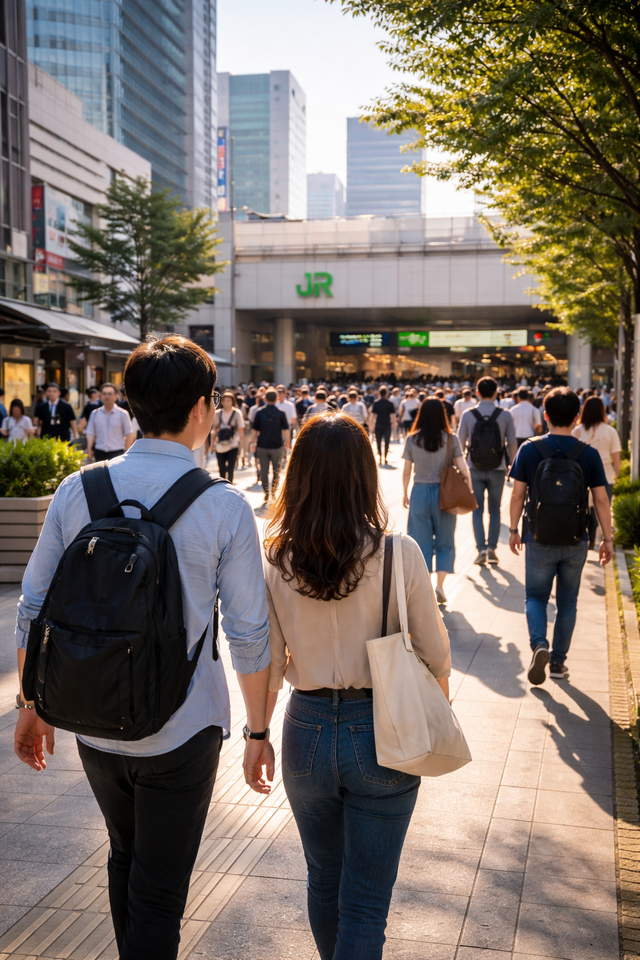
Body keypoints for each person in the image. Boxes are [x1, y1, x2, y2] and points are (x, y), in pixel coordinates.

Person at [13, 336, 275, 960]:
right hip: (183, 727)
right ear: (203, 409)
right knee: (159, 890)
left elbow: (32, 607)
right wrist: (259, 732)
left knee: (124, 855)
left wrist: (32, 704)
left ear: (130, 407)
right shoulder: (223, 506)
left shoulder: (80, 490)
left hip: (93, 716)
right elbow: (248, 632)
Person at [263, 412, 451, 960]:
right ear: (366, 475)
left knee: (323, 880)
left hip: (306, 729)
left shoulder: (276, 556)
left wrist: (256, 736)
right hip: (384, 728)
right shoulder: (399, 552)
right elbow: (436, 655)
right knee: (366, 901)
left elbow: (270, 663)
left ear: (297, 475)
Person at [509, 387, 614, 684]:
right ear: (577, 416)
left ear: (545, 415)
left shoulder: (529, 449)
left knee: (535, 597)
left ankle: (539, 644)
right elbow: (602, 500)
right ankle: (557, 663)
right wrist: (606, 539)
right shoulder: (589, 454)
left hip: (538, 537)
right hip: (576, 539)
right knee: (568, 602)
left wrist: (515, 530)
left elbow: (517, 495)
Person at [402, 398, 472, 604]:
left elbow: (407, 470)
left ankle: (425, 588)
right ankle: (440, 586)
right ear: (442, 415)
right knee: (444, 541)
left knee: (420, 541)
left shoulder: (412, 439)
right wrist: (468, 488)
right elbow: (463, 468)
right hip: (445, 495)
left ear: (421, 414)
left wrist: (405, 493)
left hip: (420, 492)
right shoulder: (451, 439)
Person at [457, 376, 517, 566]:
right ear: (496, 392)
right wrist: (513, 467)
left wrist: (460, 468)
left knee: (477, 510)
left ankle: (480, 549)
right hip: (498, 468)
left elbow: (459, 443)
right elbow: (512, 443)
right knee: (495, 510)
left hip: (473, 467)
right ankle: (492, 548)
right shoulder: (505, 415)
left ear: (477, 392)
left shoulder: (468, 414)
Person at [572, 396, 621, 501]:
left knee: (582, 513)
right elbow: (617, 460)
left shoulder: (577, 431)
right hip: (606, 476)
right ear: (602, 410)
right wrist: (617, 476)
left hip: (581, 477)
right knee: (602, 512)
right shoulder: (610, 431)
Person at [251, 388, 290, 502]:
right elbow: (286, 430)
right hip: (277, 445)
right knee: (276, 471)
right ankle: (273, 492)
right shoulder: (281, 413)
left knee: (264, 470)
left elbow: (254, 430)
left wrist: (252, 443)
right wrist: (287, 443)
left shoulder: (259, 412)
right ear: (277, 399)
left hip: (262, 445)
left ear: (265, 398)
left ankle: (266, 492)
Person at [85, 383, 134, 461]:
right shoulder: (95, 413)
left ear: (116, 396)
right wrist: (89, 449)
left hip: (117, 452)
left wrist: (127, 452)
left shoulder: (123, 414)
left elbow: (129, 434)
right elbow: (90, 433)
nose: (106, 396)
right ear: (101, 396)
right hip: (100, 451)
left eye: (110, 394)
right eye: (104, 394)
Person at [211, 390, 244, 482]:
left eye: (229, 401)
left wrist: (240, 446)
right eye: (225, 400)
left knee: (231, 467)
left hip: (233, 444)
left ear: (232, 401)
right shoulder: (217, 413)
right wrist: (211, 444)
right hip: (220, 445)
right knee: (221, 467)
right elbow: (214, 429)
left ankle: (230, 484)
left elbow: (241, 429)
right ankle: (222, 484)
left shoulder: (237, 413)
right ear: (222, 402)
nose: (227, 403)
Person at [371, 386, 397, 465]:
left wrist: (371, 424)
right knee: (386, 442)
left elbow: (373, 415)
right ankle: (385, 457)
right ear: (386, 393)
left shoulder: (376, 403)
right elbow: (393, 415)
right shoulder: (390, 403)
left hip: (378, 424)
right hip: (387, 424)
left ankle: (380, 456)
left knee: (378, 442)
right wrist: (394, 423)